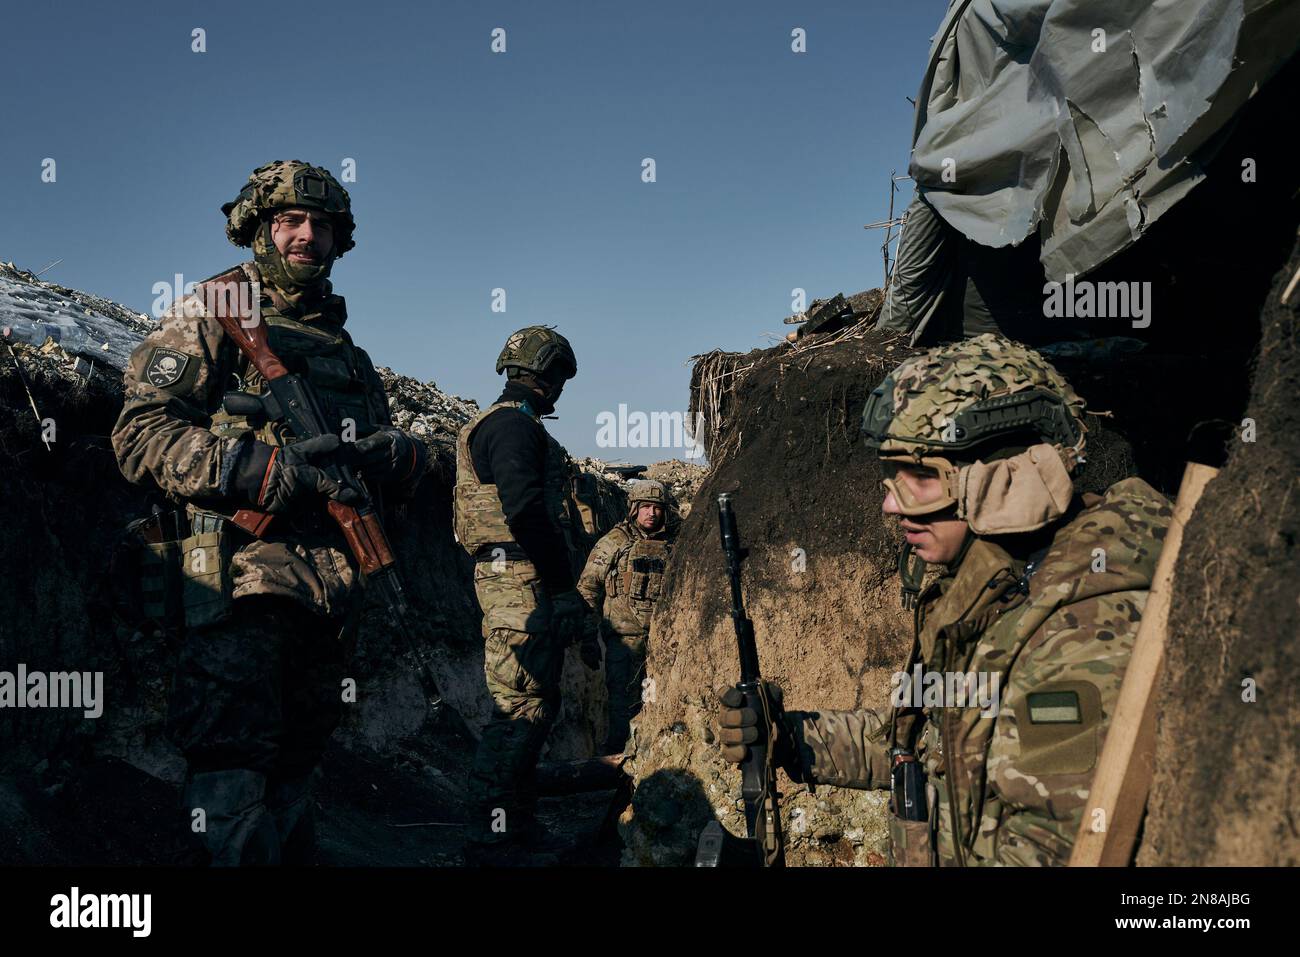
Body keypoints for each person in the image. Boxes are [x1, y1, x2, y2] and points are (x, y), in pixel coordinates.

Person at [718, 333, 1172, 866]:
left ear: (1007, 479)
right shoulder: (991, 592)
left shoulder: (1082, 631)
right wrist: (792, 739)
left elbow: (1051, 850)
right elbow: (921, 747)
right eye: (890, 476)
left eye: (920, 476)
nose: (891, 505)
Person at [112, 160, 429, 865]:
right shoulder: (215, 313)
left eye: (321, 226)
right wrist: (257, 470)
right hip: (241, 584)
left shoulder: (345, 350)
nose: (305, 237)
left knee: (296, 767)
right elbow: (139, 436)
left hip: (331, 592)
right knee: (231, 772)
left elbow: (389, 466)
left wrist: (392, 454)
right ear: (259, 229)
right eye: (289, 221)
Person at [452, 325, 592, 862]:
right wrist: (559, 587)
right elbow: (525, 511)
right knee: (519, 709)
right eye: (559, 378)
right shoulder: (513, 427)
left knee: (533, 705)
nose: (561, 390)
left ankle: (514, 827)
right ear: (548, 374)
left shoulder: (505, 422)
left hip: (516, 579)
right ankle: (492, 838)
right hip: (519, 582)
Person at [577, 480, 677, 753]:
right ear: (633, 509)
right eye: (645, 507)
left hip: (664, 640)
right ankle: (619, 757)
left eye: (657, 508)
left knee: (656, 697)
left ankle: (652, 753)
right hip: (624, 641)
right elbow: (588, 589)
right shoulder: (614, 542)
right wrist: (587, 638)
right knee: (622, 700)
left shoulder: (676, 542)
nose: (651, 513)